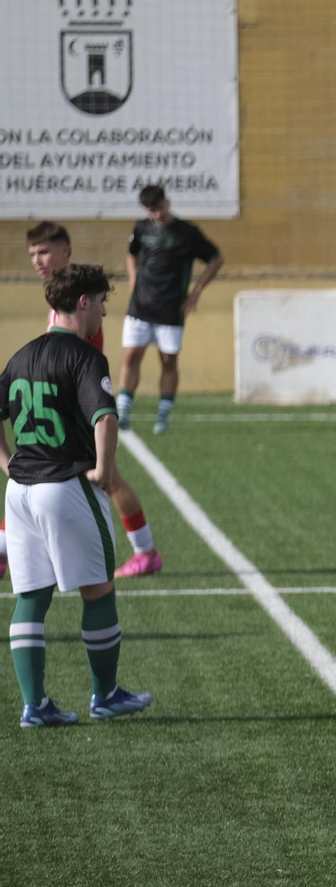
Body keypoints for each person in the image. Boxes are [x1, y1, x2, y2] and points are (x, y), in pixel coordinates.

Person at [5, 264, 153, 728]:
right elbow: (105, 417)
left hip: (19, 492)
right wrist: (105, 470)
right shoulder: (85, 356)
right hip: (65, 485)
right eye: (102, 301)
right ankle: (105, 695)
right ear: (83, 301)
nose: (104, 312)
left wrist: (8, 464)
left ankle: (34, 705)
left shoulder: (22, 354)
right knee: (99, 590)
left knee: (31, 596)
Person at [20, 223, 163, 580]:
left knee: (51, 474)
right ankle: (145, 551)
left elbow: (78, 353)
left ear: (65, 251)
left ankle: (9, 549)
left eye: (44, 252)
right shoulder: (63, 296)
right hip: (73, 400)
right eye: (33, 254)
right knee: (77, 476)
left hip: (79, 402)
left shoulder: (79, 298)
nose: (38, 260)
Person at [119, 185, 224, 434]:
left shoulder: (188, 232)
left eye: (159, 208)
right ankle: (122, 411)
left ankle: (163, 416)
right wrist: (133, 279)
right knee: (131, 356)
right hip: (140, 306)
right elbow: (131, 254)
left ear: (167, 203)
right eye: (150, 210)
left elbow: (216, 258)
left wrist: (196, 291)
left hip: (170, 309)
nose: (156, 214)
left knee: (168, 361)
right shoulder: (141, 228)